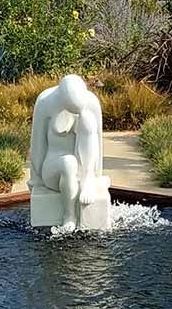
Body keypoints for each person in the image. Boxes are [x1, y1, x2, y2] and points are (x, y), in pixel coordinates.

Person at [28, 74, 110, 231]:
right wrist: (35, 179)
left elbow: (96, 141)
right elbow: (38, 143)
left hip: (83, 169)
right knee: (68, 162)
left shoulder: (91, 101)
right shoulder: (45, 102)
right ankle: (69, 215)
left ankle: (87, 178)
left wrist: (94, 175)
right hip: (53, 167)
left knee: (87, 120)